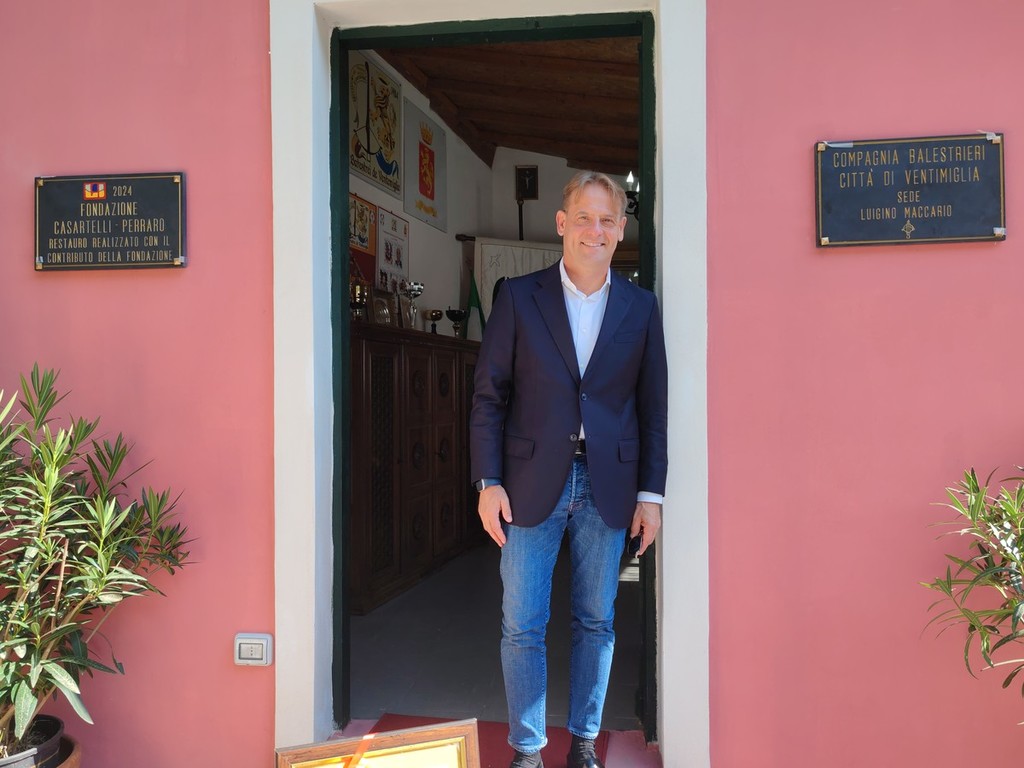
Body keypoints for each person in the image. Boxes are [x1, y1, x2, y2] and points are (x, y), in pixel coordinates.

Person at [470, 170, 668, 768]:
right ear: (562, 223)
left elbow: (653, 408)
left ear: (621, 229)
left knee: (596, 621)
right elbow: (489, 397)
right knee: (522, 623)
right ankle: (527, 750)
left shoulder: (640, 307)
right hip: (527, 483)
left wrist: (651, 494)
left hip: (609, 484)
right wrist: (488, 482)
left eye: (607, 219)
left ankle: (584, 744)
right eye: (583, 217)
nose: (594, 230)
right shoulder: (518, 297)